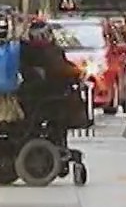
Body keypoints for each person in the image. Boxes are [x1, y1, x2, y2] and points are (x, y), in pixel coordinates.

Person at [17, 20, 85, 149]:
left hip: (43, 96)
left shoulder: (30, 50)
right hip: (47, 96)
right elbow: (59, 69)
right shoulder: (43, 51)